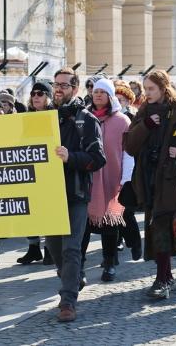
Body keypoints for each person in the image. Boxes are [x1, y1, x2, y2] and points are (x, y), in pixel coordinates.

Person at [125, 69, 176, 300]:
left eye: (151, 89)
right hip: (148, 180)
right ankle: (165, 277)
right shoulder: (143, 113)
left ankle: (162, 279)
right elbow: (129, 146)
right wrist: (146, 125)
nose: (147, 93)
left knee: (161, 227)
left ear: (163, 89)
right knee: (158, 229)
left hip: (171, 182)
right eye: (145, 88)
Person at [46, 67, 106, 322]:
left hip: (75, 193)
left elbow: (98, 158)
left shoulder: (86, 119)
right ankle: (72, 276)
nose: (58, 88)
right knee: (54, 248)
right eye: (55, 84)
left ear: (75, 88)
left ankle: (67, 301)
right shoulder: (42, 117)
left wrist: (71, 157)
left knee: (71, 249)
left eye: (64, 85)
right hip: (46, 194)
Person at [81, 79, 132, 282]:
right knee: (82, 224)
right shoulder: (84, 117)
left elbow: (128, 153)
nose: (98, 95)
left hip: (113, 177)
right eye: (96, 91)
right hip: (87, 178)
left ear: (110, 95)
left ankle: (109, 263)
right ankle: (79, 265)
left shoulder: (122, 121)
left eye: (103, 91)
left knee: (110, 225)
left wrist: (126, 178)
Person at [17, 80, 54, 266]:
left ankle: (50, 249)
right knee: (30, 212)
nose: (36, 97)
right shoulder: (26, 117)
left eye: (40, 93)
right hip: (29, 170)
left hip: (49, 171)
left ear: (49, 96)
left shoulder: (55, 116)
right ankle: (33, 248)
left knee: (47, 211)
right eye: (33, 94)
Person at [114, 81, 142, 260]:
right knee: (114, 212)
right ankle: (115, 247)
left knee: (127, 211)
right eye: (116, 98)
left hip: (129, 168)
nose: (118, 101)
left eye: (122, 99)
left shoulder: (131, 117)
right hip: (112, 167)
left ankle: (135, 242)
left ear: (128, 101)